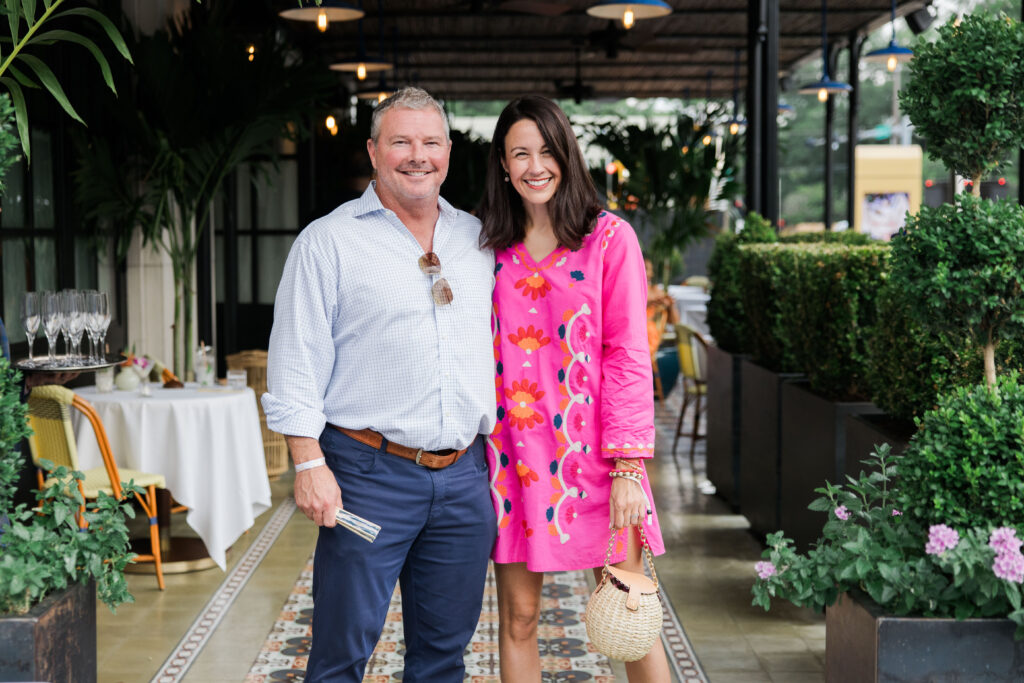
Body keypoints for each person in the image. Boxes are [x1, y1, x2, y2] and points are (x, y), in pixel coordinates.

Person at [263, 87, 497, 683]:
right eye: (401, 142)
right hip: (366, 475)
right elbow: (295, 358)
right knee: (342, 654)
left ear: (448, 152)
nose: (417, 156)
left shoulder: (479, 241)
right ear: (373, 151)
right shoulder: (328, 241)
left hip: (465, 479)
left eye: (430, 142)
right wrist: (307, 463)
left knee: (444, 658)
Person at [476, 95, 671, 681]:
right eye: (519, 154)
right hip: (513, 461)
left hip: (600, 462)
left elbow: (629, 355)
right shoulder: (487, 248)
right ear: (503, 166)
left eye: (546, 151)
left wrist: (630, 468)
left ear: (566, 155)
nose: (535, 166)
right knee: (518, 620)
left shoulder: (610, 240)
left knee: (627, 617)